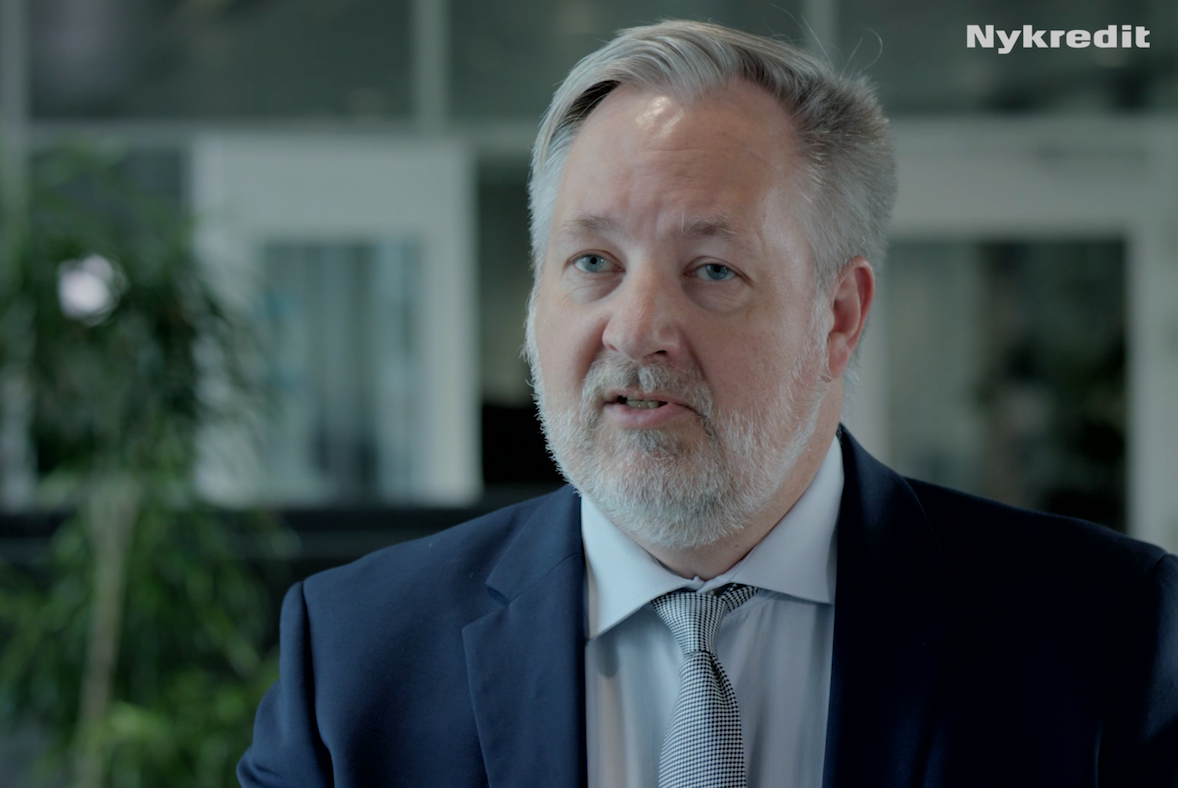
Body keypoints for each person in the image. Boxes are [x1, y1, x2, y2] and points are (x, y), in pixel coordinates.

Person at [237, 20, 1178, 788]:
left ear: (838, 317)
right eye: (592, 262)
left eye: (713, 269)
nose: (635, 329)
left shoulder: (1107, 636)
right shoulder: (358, 658)